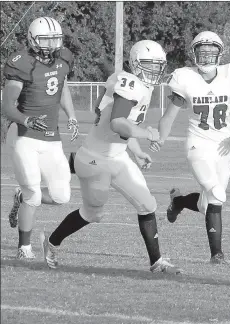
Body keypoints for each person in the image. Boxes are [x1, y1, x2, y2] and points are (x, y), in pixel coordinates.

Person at [40, 40, 180, 274]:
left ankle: (157, 262)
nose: (155, 71)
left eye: (158, 66)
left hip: (118, 157)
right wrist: (147, 134)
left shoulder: (136, 85)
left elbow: (120, 121)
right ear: (136, 64)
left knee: (147, 204)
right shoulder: (131, 85)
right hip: (95, 160)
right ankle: (51, 242)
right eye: (150, 65)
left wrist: (136, 151)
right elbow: (117, 123)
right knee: (93, 214)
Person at [151, 31, 230, 264]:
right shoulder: (186, 78)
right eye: (202, 52)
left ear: (220, 54)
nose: (206, 57)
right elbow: (169, 116)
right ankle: (217, 255)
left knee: (207, 202)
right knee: (217, 193)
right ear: (194, 53)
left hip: (223, 146)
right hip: (197, 144)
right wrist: (160, 138)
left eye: (211, 53)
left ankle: (178, 202)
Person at [2, 17, 79, 259]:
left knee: (61, 196)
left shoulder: (64, 58)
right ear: (33, 40)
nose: (52, 44)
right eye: (46, 39)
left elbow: (61, 87)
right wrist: (26, 120)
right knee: (34, 196)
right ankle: (24, 248)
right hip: (23, 135)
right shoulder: (21, 63)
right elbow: (7, 105)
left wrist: (72, 116)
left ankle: (21, 195)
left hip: (51, 136)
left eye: (56, 39)